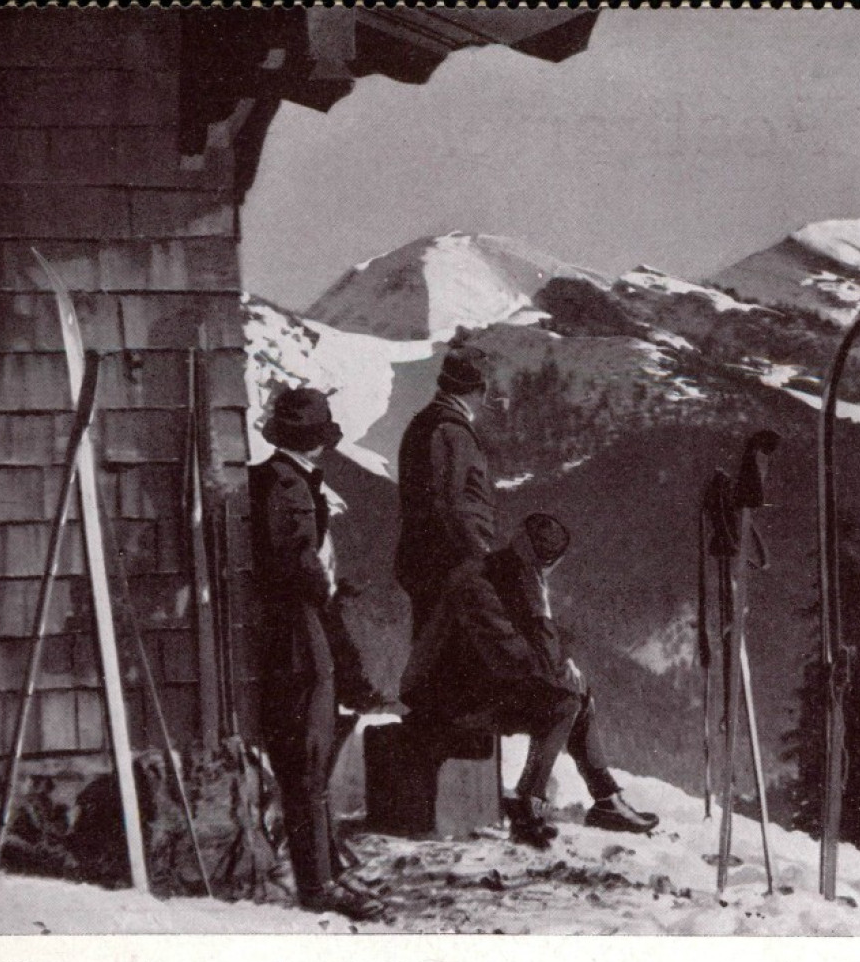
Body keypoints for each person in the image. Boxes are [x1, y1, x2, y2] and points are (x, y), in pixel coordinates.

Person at [401, 512, 658, 847]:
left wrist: (562, 663)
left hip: (467, 687)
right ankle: (529, 806)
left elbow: (529, 646)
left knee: (575, 695)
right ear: (547, 561)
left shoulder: (502, 572)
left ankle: (604, 799)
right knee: (565, 701)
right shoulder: (486, 582)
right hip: (441, 698)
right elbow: (510, 654)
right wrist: (554, 659)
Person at [249, 387, 383, 919]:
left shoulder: (275, 481)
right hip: (300, 640)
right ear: (316, 443)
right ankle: (318, 885)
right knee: (307, 764)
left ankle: (325, 867)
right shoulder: (290, 488)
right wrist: (330, 607)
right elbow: (303, 571)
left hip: (288, 635)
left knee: (306, 761)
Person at [396, 329, 501, 635]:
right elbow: (453, 505)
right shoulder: (454, 431)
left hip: (423, 559)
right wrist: (482, 557)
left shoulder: (421, 423)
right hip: (451, 564)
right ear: (479, 389)